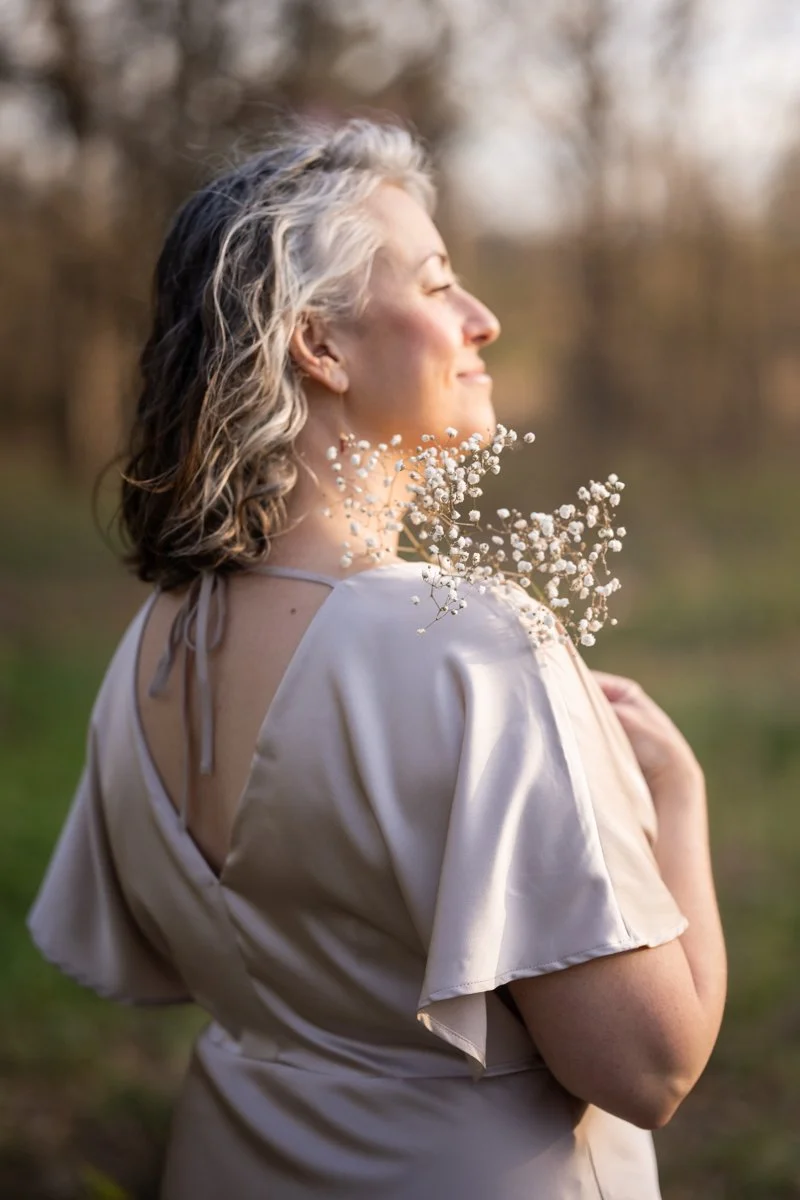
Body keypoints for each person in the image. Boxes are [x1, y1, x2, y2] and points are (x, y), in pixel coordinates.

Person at [28, 117, 726, 1199]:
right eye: (439, 283)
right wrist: (676, 800)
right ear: (321, 345)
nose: (482, 319)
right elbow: (648, 1065)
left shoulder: (149, 645)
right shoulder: (471, 645)